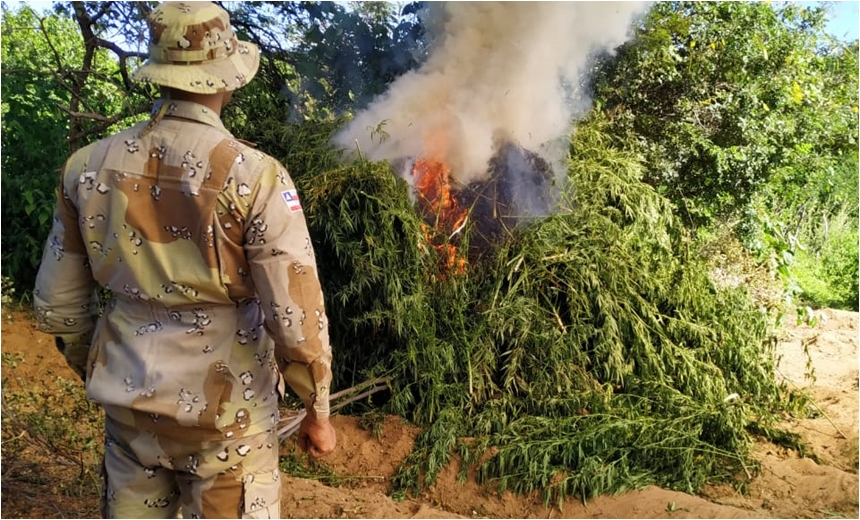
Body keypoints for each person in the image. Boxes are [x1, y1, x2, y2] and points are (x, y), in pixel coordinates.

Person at [32, 2, 335, 517]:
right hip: (229, 422)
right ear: (228, 80)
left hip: (130, 416)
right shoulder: (255, 176)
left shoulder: (88, 166)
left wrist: (109, 370)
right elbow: (296, 315)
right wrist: (317, 410)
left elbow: (58, 306)